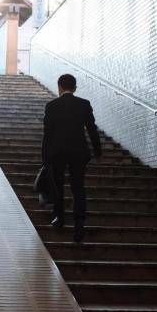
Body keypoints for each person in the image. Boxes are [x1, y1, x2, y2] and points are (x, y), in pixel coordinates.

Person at [41, 73, 102, 243]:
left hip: (57, 152)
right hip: (78, 152)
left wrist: (44, 156)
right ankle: (79, 224)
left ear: (59, 87)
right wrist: (98, 151)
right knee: (78, 187)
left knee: (58, 185)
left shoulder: (52, 106)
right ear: (74, 88)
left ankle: (59, 218)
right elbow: (92, 129)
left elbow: (48, 133)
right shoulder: (84, 104)